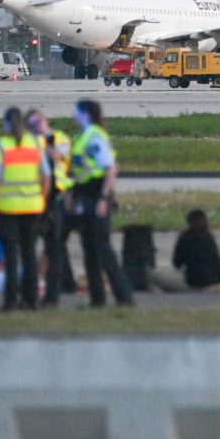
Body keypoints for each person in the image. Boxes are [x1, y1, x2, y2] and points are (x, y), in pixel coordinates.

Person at [69, 99, 134, 307]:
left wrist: (103, 198)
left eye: (77, 111)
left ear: (85, 114)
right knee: (89, 249)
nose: (73, 114)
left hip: (96, 195)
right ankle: (97, 298)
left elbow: (110, 169)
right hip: (84, 195)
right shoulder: (82, 136)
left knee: (103, 248)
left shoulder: (94, 136)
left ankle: (124, 296)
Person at [0, 107, 50, 311]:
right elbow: (46, 176)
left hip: (7, 209)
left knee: (11, 256)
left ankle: (11, 300)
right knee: (30, 253)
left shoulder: (1, 147)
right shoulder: (36, 144)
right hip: (32, 207)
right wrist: (41, 198)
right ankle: (32, 300)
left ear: (6, 124)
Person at [25, 108, 76, 306]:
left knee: (56, 242)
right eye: (32, 124)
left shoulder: (58, 138)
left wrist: (41, 143)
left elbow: (59, 156)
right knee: (56, 243)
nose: (36, 127)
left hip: (60, 194)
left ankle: (63, 284)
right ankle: (65, 282)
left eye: (38, 122)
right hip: (39, 197)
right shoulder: (30, 142)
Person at [151, 209, 220, 293]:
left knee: (153, 275)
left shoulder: (186, 237)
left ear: (189, 222)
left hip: (197, 286)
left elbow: (177, 263)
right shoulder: (209, 236)